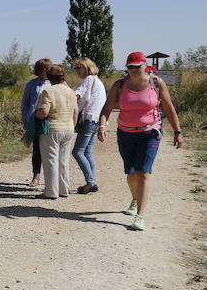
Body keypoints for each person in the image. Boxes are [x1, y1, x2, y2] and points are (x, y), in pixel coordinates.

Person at [97, 52, 183, 231]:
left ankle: (140, 216)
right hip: (125, 133)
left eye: (137, 66)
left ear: (145, 66)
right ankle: (135, 199)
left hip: (150, 132)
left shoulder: (156, 83)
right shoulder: (120, 85)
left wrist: (178, 131)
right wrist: (102, 126)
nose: (134, 70)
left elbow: (168, 107)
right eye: (131, 67)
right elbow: (107, 108)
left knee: (144, 172)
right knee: (131, 174)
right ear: (127, 68)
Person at [35, 65, 78, 199]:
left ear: (48, 76)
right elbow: (76, 112)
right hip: (68, 128)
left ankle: (51, 192)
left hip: (52, 129)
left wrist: (36, 115)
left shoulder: (48, 91)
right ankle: (63, 189)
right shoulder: (71, 91)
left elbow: (43, 112)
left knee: (51, 161)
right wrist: (71, 126)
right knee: (63, 161)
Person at [71, 58, 107, 194]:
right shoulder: (98, 81)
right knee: (87, 152)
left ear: (87, 67)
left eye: (78, 68)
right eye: (75, 68)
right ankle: (92, 181)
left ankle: (90, 182)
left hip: (89, 120)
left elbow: (77, 95)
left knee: (77, 152)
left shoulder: (89, 79)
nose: (76, 71)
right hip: (96, 120)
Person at [21, 59, 52, 187]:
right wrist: (25, 120)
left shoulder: (54, 84)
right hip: (34, 120)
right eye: (44, 68)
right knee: (37, 149)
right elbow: (25, 103)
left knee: (50, 150)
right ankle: (36, 175)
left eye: (47, 68)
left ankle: (51, 179)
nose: (46, 71)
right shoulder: (31, 84)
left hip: (49, 121)